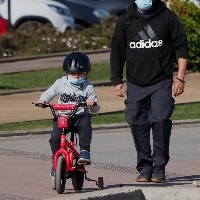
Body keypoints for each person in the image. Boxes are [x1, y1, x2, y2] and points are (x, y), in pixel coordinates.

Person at [110, 0, 188, 183]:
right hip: (135, 83)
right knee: (137, 123)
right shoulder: (126, 19)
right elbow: (117, 51)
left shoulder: (167, 17)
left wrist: (180, 78)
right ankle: (145, 167)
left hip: (161, 81)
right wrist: (116, 81)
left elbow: (182, 47)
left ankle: (159, 167)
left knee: (160, 119)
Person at [38, 51, 100, 176]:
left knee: (85, 126)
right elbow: (49, 93)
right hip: (63, 117)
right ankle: (56, 161)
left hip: (79, 116)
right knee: (54, 138)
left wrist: (91, 103)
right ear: (67, 73)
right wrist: (43, 100)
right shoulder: (60, 83)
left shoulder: (88, 86)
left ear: (86, 73)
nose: (76, 77)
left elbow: (96, 108)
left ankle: (84, 151)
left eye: (80, 73)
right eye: (72, 74)